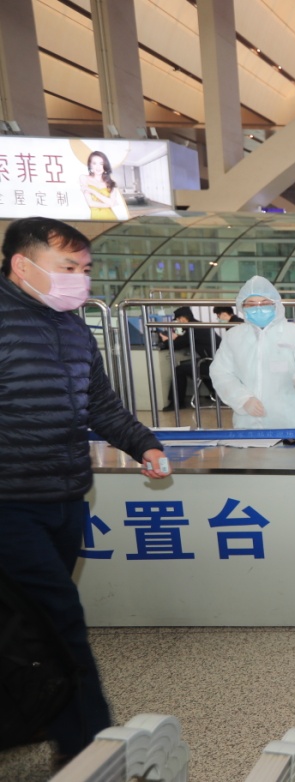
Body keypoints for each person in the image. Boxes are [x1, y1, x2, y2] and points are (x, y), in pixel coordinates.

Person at [0, 217, 170, 763]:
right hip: (9, 504)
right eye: (68, 267)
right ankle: (92, 752)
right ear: (22, 265)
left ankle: (26, 717)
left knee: (27, 625)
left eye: (86, 268)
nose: (81, 279)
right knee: (60, 618)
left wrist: (143, 444)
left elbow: (100, 405)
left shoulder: (73, 328)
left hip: (66, 497)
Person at [209, 276, 295, 429]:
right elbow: (220, 373)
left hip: (291, 423)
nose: (258, 308)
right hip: (248, 424)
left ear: (275, 304)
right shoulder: (234, 336)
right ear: (242, 306)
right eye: (251, 304)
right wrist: (243, 400)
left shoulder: (294, 333)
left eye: (265, 303)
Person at [158, 306, 220, 411]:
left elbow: (178, 344)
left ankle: (177, 403)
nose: (178, 322)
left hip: (212, 363)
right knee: (194, 365)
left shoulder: (193, 329)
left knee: (180, 370)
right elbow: (184, 340)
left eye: (178, 319)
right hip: (215, 361)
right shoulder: (198, 326)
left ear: (183, 318)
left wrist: (165, 340)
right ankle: (214, 392)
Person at [79, 151, 123, 221]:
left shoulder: (111, 183)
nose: (98, 167)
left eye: (101, 164)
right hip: (96, 218)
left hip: (111, 218)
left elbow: (111, 203)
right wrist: (109, 204)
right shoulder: (84, 178)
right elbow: (90, 203)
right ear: (90, 165)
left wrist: (92, 191)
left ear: (105, 165)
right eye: (94, 163)